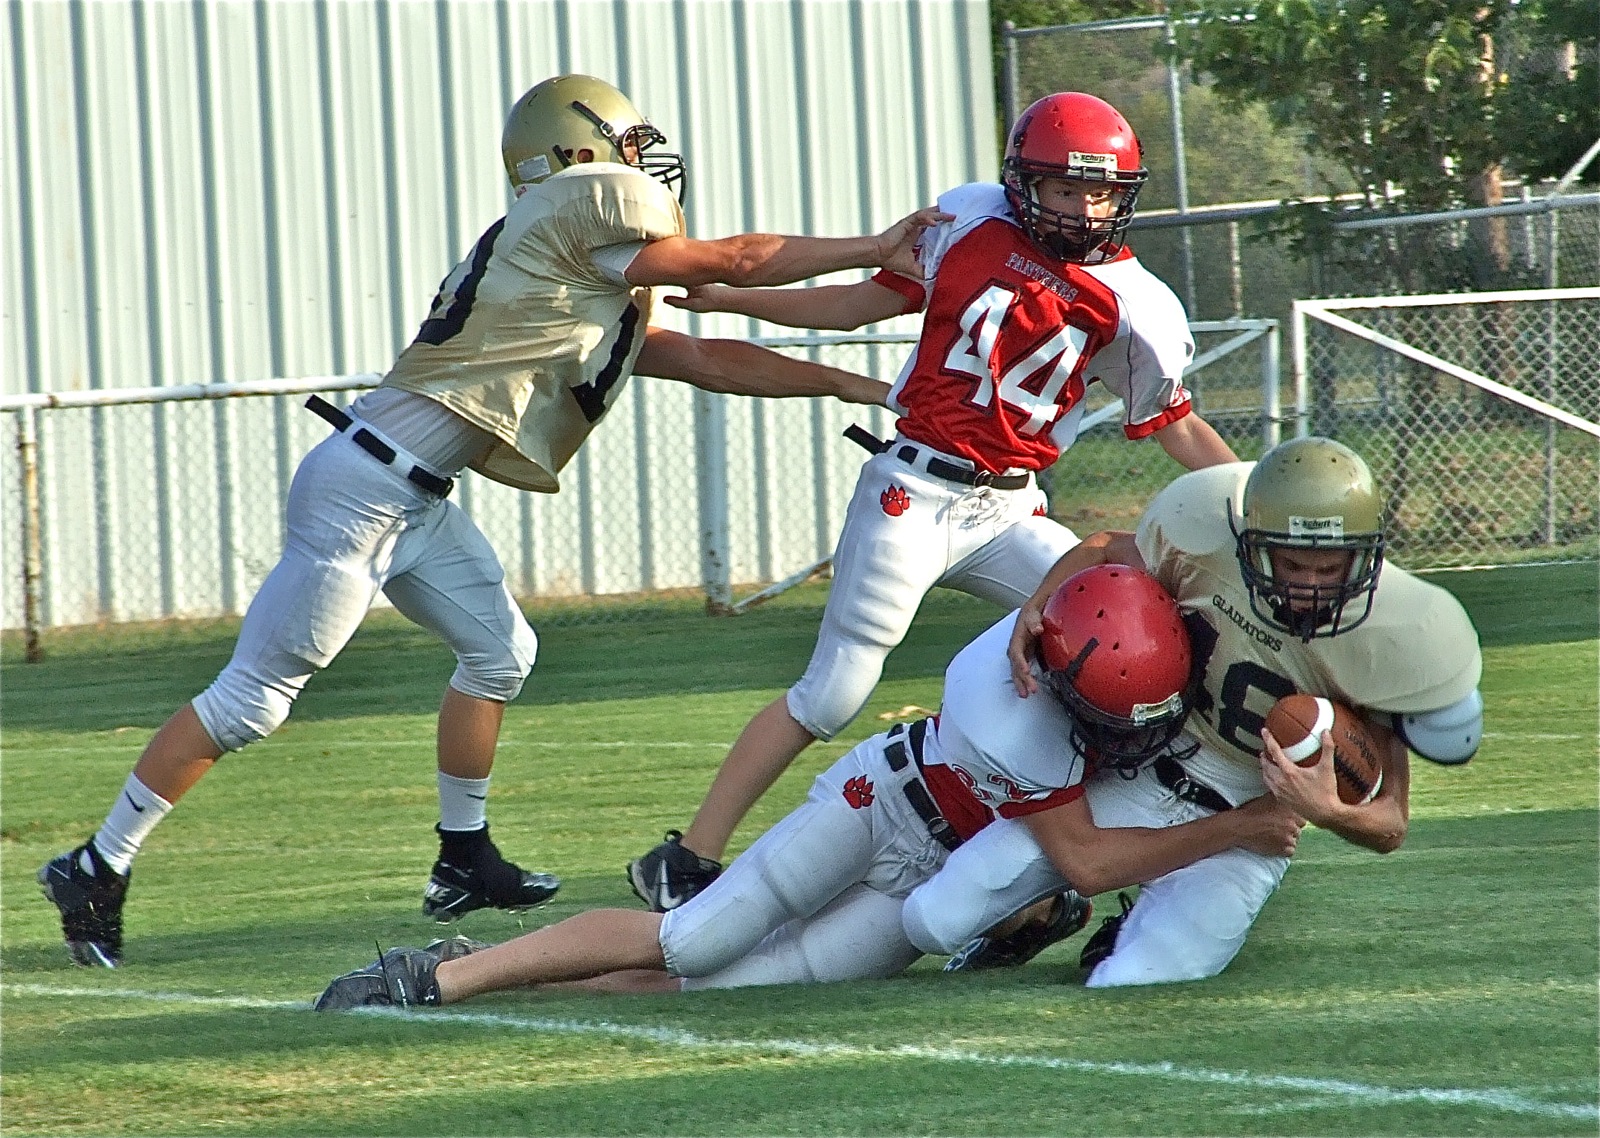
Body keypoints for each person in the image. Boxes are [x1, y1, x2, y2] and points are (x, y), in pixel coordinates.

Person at [37, 74, 948, 968]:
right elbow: (736, 262)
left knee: (501, 653)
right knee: (252, 701)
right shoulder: (580, 213)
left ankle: (462, 857)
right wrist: (876, 244)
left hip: (412, 493)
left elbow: (708, 360)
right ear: (579, 154)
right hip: (364, 488)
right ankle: (97, 863)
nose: (644, 166)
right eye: (628, 147)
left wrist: (855, 385)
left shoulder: (575, 272)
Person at [625, 90, 1242, 912]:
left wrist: (1249, 504)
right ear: (1023, 181)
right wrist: (739, 299)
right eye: (1065, 188)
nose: (1084, 209)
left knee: (1130, 657)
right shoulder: (969, 219)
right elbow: (853, 307)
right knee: (833, 693)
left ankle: (1095, 886)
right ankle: (688, 857)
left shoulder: (1139, 302)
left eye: (1100, 192)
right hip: (913, 492)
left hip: (1011, 510)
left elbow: (1177, 425)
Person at [312, 565, 1304, 1009]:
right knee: (695, 939)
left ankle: (506, 972)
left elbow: (1107, 550)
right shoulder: (1009, 707)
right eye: (1103, 713)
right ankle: (435, 979)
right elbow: (1082, 854)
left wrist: (1059, 583)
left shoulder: (1103, 636)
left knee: (726, 987)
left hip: (929, 869)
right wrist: (1243, 825)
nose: (1124, 735)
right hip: (881, 808)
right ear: (1050, 672)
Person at [911, 435, 1485, 987]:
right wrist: (1035, 607)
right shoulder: (1206, 550)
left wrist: (1329, 810)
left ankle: (1134, 927)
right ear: (1251, 545)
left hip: (1251, 827)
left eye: (1329, 568)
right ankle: (1050, 913)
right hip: (1139, 776)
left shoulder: (1384, 644)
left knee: (1131, 981)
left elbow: (1390, 824)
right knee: (935, 918)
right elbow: (1103, 547)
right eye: (1292, 565)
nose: (1310, 586)